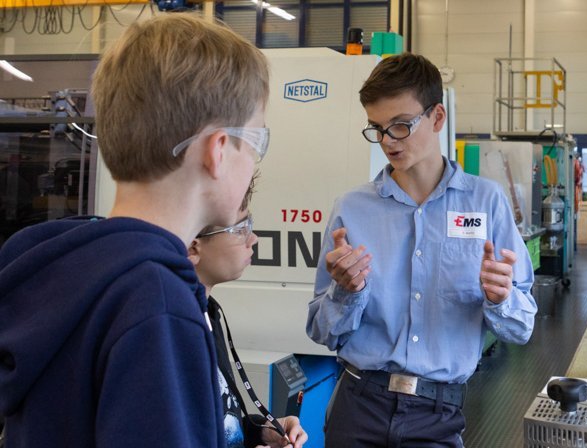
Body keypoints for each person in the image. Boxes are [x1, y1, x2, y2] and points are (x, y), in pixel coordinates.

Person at [0, 15, 270, 447]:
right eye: (255, 143)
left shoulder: (59, 268)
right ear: (218, 150)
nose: (254, 159)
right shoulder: (159, 303)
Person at [306, 53, 537, 447]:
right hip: (358, 407)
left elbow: (521, 327)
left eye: (400, 125)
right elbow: (321, 331)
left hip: (438, 415)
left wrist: (501, 298)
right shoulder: (351, 209)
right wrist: (345, 292)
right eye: (377, 128)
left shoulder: (486, 203)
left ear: (437, 117)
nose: (387, 141)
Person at [189, 176, 307, 448]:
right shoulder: (168, 328)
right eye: (240, 229)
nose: (253, 239)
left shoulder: (208, 312)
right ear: (194, 246)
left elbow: (220, 424)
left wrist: (263, 431)